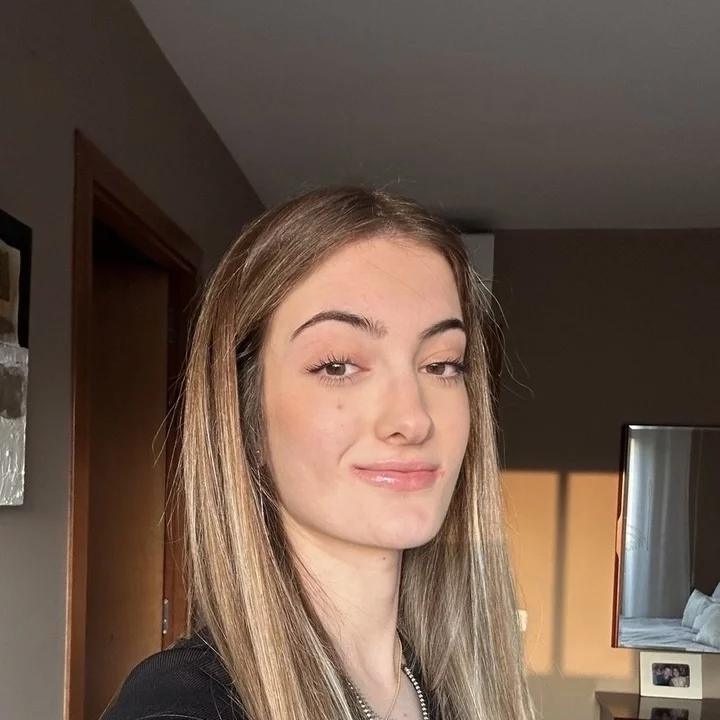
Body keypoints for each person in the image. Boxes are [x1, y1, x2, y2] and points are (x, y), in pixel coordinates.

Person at [103, 187, 534, 720]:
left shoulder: (456, 688)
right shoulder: (181, 706)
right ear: (246, 416)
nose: (413, 419)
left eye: (441, 365)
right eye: (337, 365)